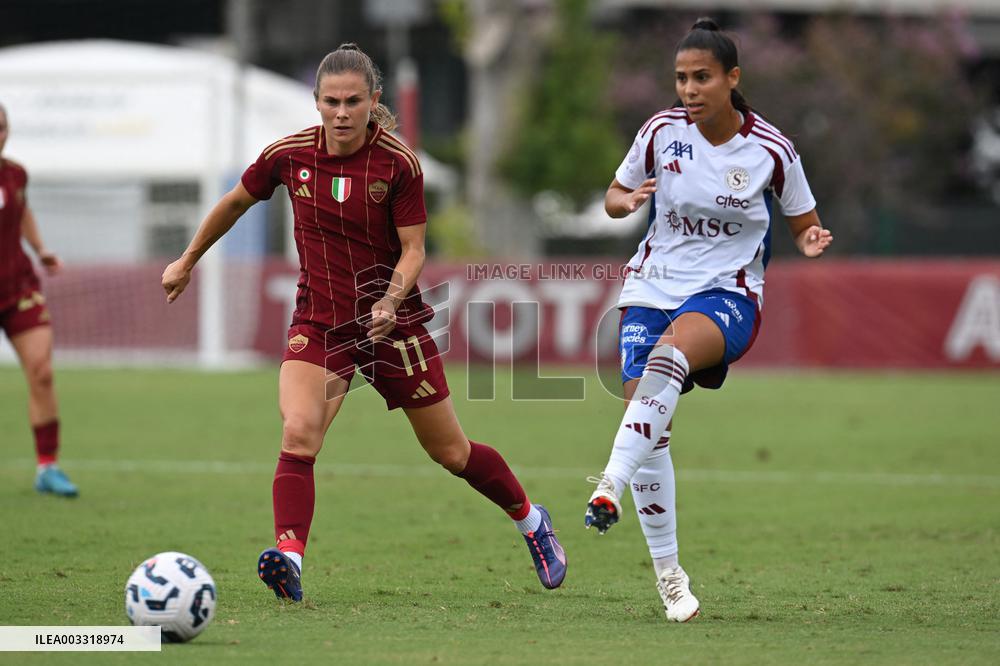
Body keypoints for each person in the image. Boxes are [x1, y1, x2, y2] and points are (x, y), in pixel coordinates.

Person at [161, 43, 566, 601]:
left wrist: (391, 300)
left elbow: (415, 249)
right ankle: (290, 557)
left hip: (392, 328)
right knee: (299, 433)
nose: (342, 112)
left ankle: (531, 520)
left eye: (354, 101)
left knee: (452, 453)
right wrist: (187, 260)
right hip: (320, 322)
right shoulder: (288, 155)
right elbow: (234, 202)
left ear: (374, 101)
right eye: (331, 101)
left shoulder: (398, 162)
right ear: (317, 102)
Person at [585, 18, 832, 622]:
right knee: (652, 423)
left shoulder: (772, 149)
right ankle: (670, 576)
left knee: (667, 362)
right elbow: (614, 196)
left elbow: (802, 222)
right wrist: (629, 201)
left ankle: (608, 485)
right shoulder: (661, 132)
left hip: (728, 293)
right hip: (650, 285)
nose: (689, 90)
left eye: (701, 78)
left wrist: (811, 239)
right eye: (680, 79)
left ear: (732, 79)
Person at [0, 103, 78, 497]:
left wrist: (41, 248)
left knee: (42, 371)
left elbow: (22, 209)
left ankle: (47, 467)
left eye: (1, 128)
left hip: (17, 288)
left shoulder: (16, 174)